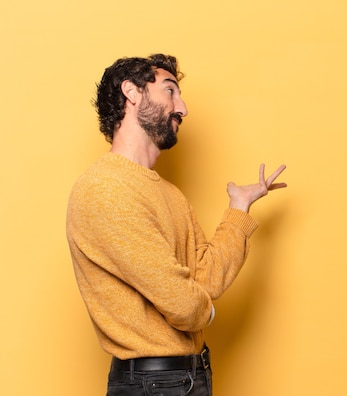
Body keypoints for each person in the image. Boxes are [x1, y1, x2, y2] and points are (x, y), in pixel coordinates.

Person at [66, 54, 287, 396]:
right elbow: (183, 303)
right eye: (170, 91)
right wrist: (207, 314)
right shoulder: (106, 187)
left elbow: (206, 278)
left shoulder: (168, 194)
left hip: (187, 375)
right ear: (132, 92)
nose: (182, 108)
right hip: (153, 383)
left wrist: (238, 208)